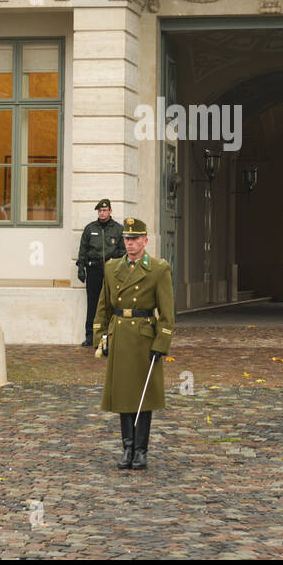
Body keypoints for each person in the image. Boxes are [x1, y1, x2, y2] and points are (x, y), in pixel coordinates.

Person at [92, 217, 174, 470]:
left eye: (135, 239)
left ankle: (141, 450)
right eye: (127, 239)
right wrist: (100, 337)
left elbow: (168, 314)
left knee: (142, 397)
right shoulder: (112, 267)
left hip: (142, 338)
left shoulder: (158, 269)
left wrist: (161, 344)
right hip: (119, 335)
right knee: (123, 396)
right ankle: (127, 448)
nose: (130, 244)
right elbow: (103, 306)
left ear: (145, 241)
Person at [75, 198, 124, 347]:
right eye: (100, 211)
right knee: (93, 302)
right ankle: (90, 336)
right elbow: (83, 249)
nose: (102, 213)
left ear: (110, 211)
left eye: (105, 210)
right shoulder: (90, 229)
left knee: (111, 301)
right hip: (94, 269)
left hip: (111, 268)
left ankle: (111, 334)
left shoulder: (117, 229)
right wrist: (81, 267)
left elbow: (122, 251)